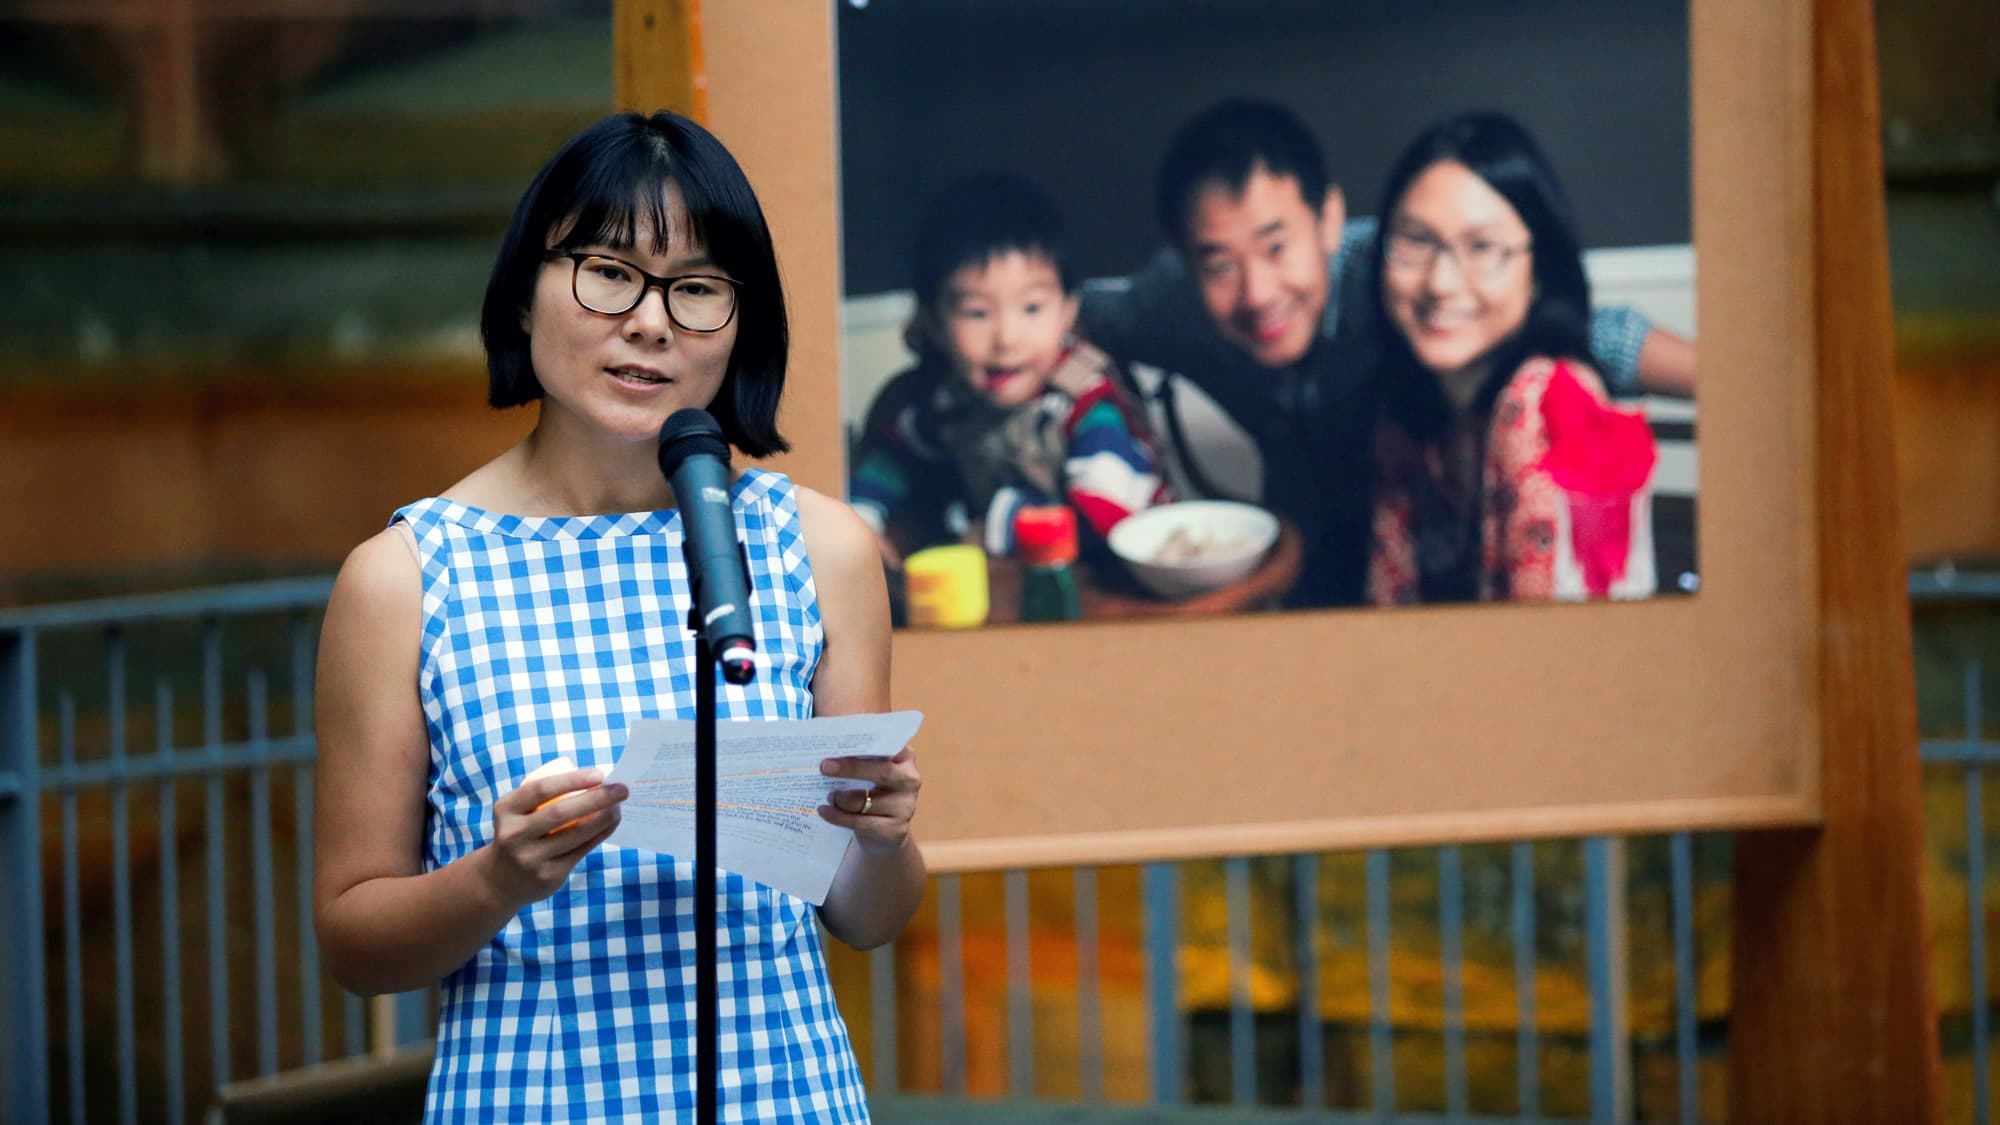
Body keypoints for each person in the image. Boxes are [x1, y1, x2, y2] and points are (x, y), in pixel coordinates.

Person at [311, 111, 922, 1122]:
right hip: (528, 1096)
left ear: (742, 325)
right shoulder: (406, 579)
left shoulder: (819, 549)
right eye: (608, 272)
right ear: (523, 292)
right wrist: (498, 878)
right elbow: (353, 945)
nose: (649, 323)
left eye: (696, 289)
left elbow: (870, 919)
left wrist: (882, 841)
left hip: (784, 1092)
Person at [1080, 99, 1693, 606]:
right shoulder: (1173, 307)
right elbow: (1064, 311)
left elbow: (1577, 326)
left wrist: (1756, 380)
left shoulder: (1402, 272)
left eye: (1276, 247)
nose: (1258, 293)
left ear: (1329, 221)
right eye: (1217, 264)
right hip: (1328, 566)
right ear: (1188, 264)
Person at [1363, 110, 1658, 603]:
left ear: (1539, 270)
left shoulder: (1546, 405)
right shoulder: (1408, 407)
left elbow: (1549, 651)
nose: (1440, 283)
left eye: (1481, 247)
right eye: (1416, 240)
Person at [849, 172, 1168, 567]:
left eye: (1032, 308)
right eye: (977, 312)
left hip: (1129, 576)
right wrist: (860, 517)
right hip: (1027, 579)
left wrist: (1000, 523)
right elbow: (894, 455)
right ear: (934, 324)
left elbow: (1106, 521)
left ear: (1068, 312)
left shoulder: (1086, 403)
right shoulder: (951, 401)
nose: (1006, 338)